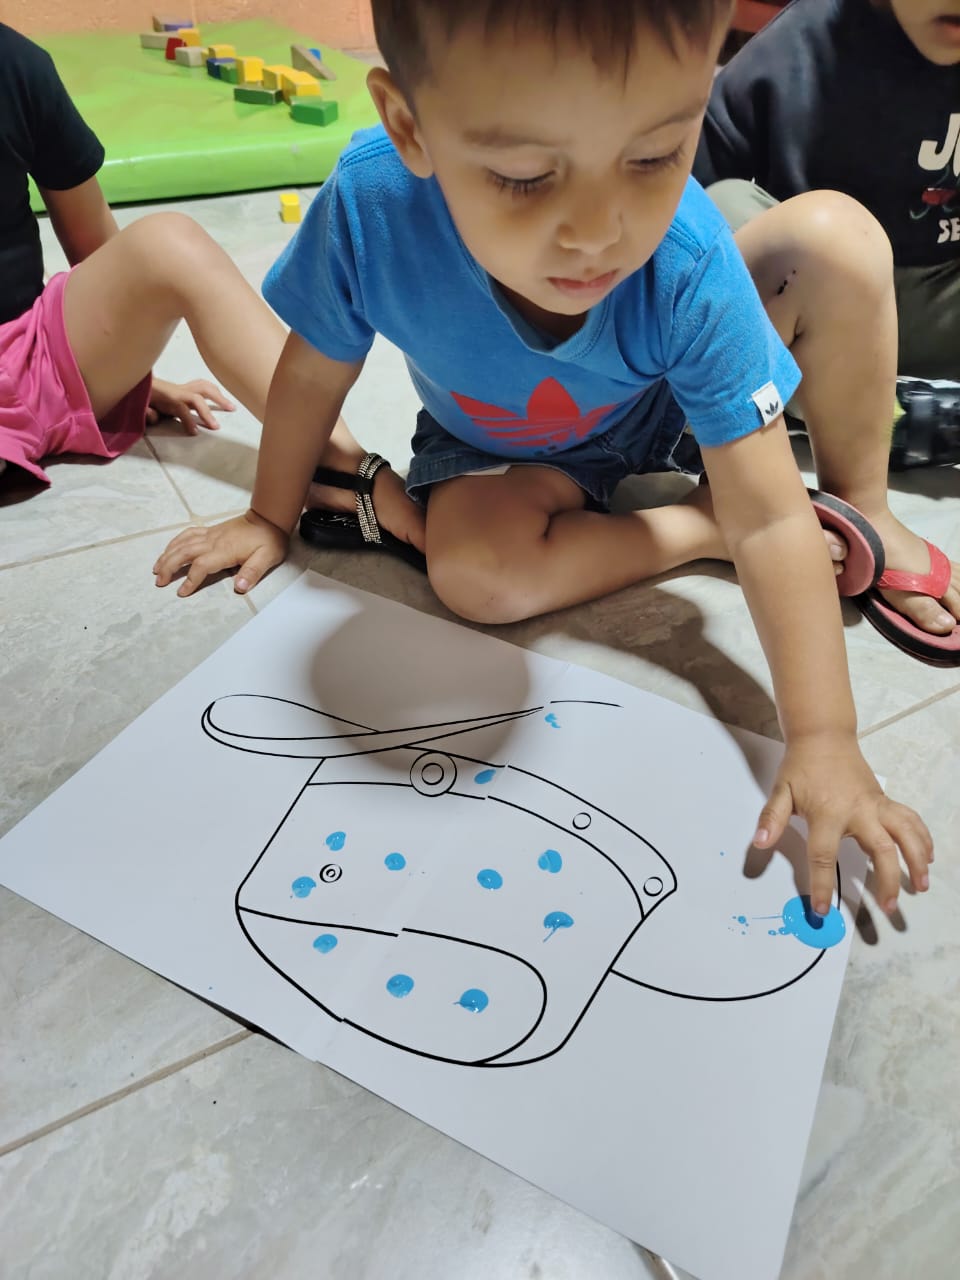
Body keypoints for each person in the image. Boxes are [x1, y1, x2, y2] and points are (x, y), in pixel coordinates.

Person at [154, 0, 935, 914]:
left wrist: (826, 739)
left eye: (655, 155)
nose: (599, 232)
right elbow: (310, 375)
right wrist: (266, 513)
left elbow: (773, 520)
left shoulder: (683, 259)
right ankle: (697, 525)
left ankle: (861, 502)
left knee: (838, 238)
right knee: (475, 579)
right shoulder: (371, 204)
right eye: (526, 176)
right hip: (501, 450)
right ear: (410, 126)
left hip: (674, 403)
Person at [0, 19, 422, 549]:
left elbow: (97, 251)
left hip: (29, 350)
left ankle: (348, 468)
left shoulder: (16, 64)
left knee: (169, 242)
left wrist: (128, 372)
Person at [695, 0, 960, 465]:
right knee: (719, 213)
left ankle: (894, 415)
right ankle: (888, 419)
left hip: (941, 301)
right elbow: (688, 201)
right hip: (819, 320)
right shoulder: (800, 44)